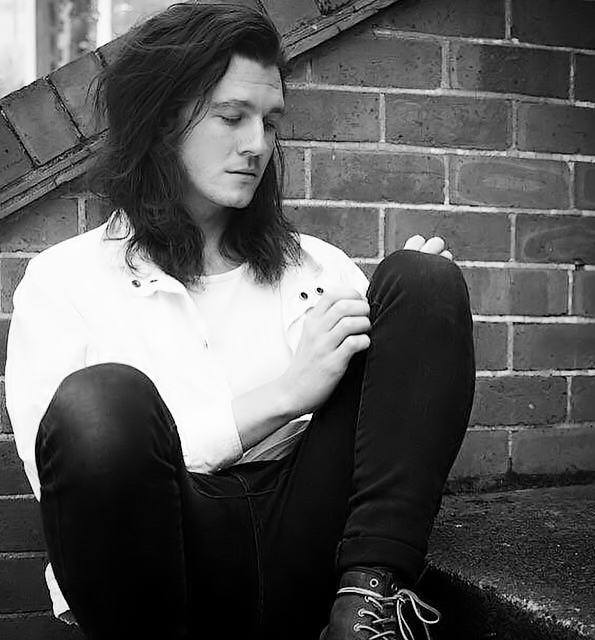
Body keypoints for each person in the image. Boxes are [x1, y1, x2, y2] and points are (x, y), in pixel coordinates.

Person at [5, 4, 475, 639]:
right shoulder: (65, 281)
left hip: (312, 543)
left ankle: (369, 609)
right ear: (160, 119)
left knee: (423, 280)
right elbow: (70, 484)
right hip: (164, 576)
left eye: (270, 122)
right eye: (231, 117)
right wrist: (285, 396)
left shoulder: (317, 268)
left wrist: (415, 311)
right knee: (100, 402)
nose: (257, 145)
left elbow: (390, 428)